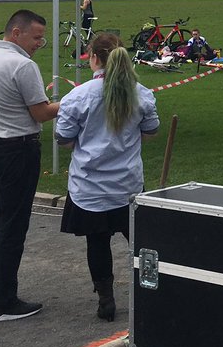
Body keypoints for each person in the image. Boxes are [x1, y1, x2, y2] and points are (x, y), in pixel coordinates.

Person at [55, 32, 159, 321]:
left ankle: (106, 300)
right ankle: (151, 294)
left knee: (97, 243)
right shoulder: (142, 93)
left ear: (96, 58)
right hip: (127, 184)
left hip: (90, 187)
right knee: (139, 241)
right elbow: (150, 133)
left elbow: (63, 138)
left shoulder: (78, 95)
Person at [0, 9, 59, 322]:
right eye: (36, 37)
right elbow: (42, 113)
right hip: (15, 150)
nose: (39, 43)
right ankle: (3, 301)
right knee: (13, 225)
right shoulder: (22, 65)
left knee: (1, 219)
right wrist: (75, 101)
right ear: (16, 33)